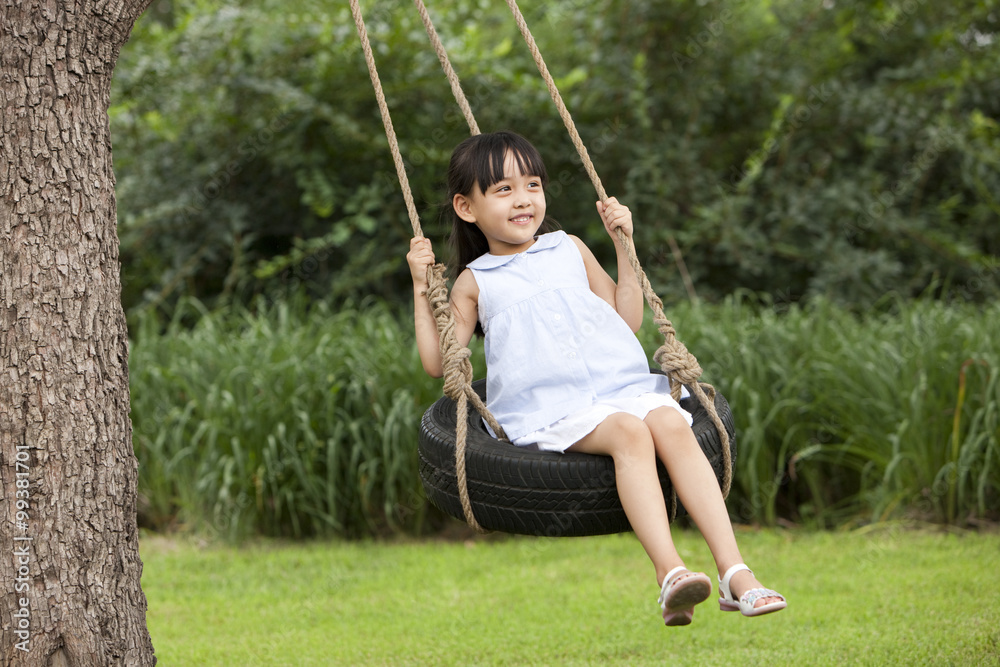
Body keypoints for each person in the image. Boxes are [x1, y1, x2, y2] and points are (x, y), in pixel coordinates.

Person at [406, 130, 786, 626]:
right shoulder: (476, 281)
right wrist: (421, 286)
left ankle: (737, 575)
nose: (523, 199)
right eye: (503, 190)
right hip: (550, 409)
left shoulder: (570, 248)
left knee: (672, 425)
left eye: (533, 185)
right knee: (630, 433)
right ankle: (671, 573)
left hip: (619, 387)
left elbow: (623, 318)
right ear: (466, 206)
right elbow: (439, 362)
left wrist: (622, 245)